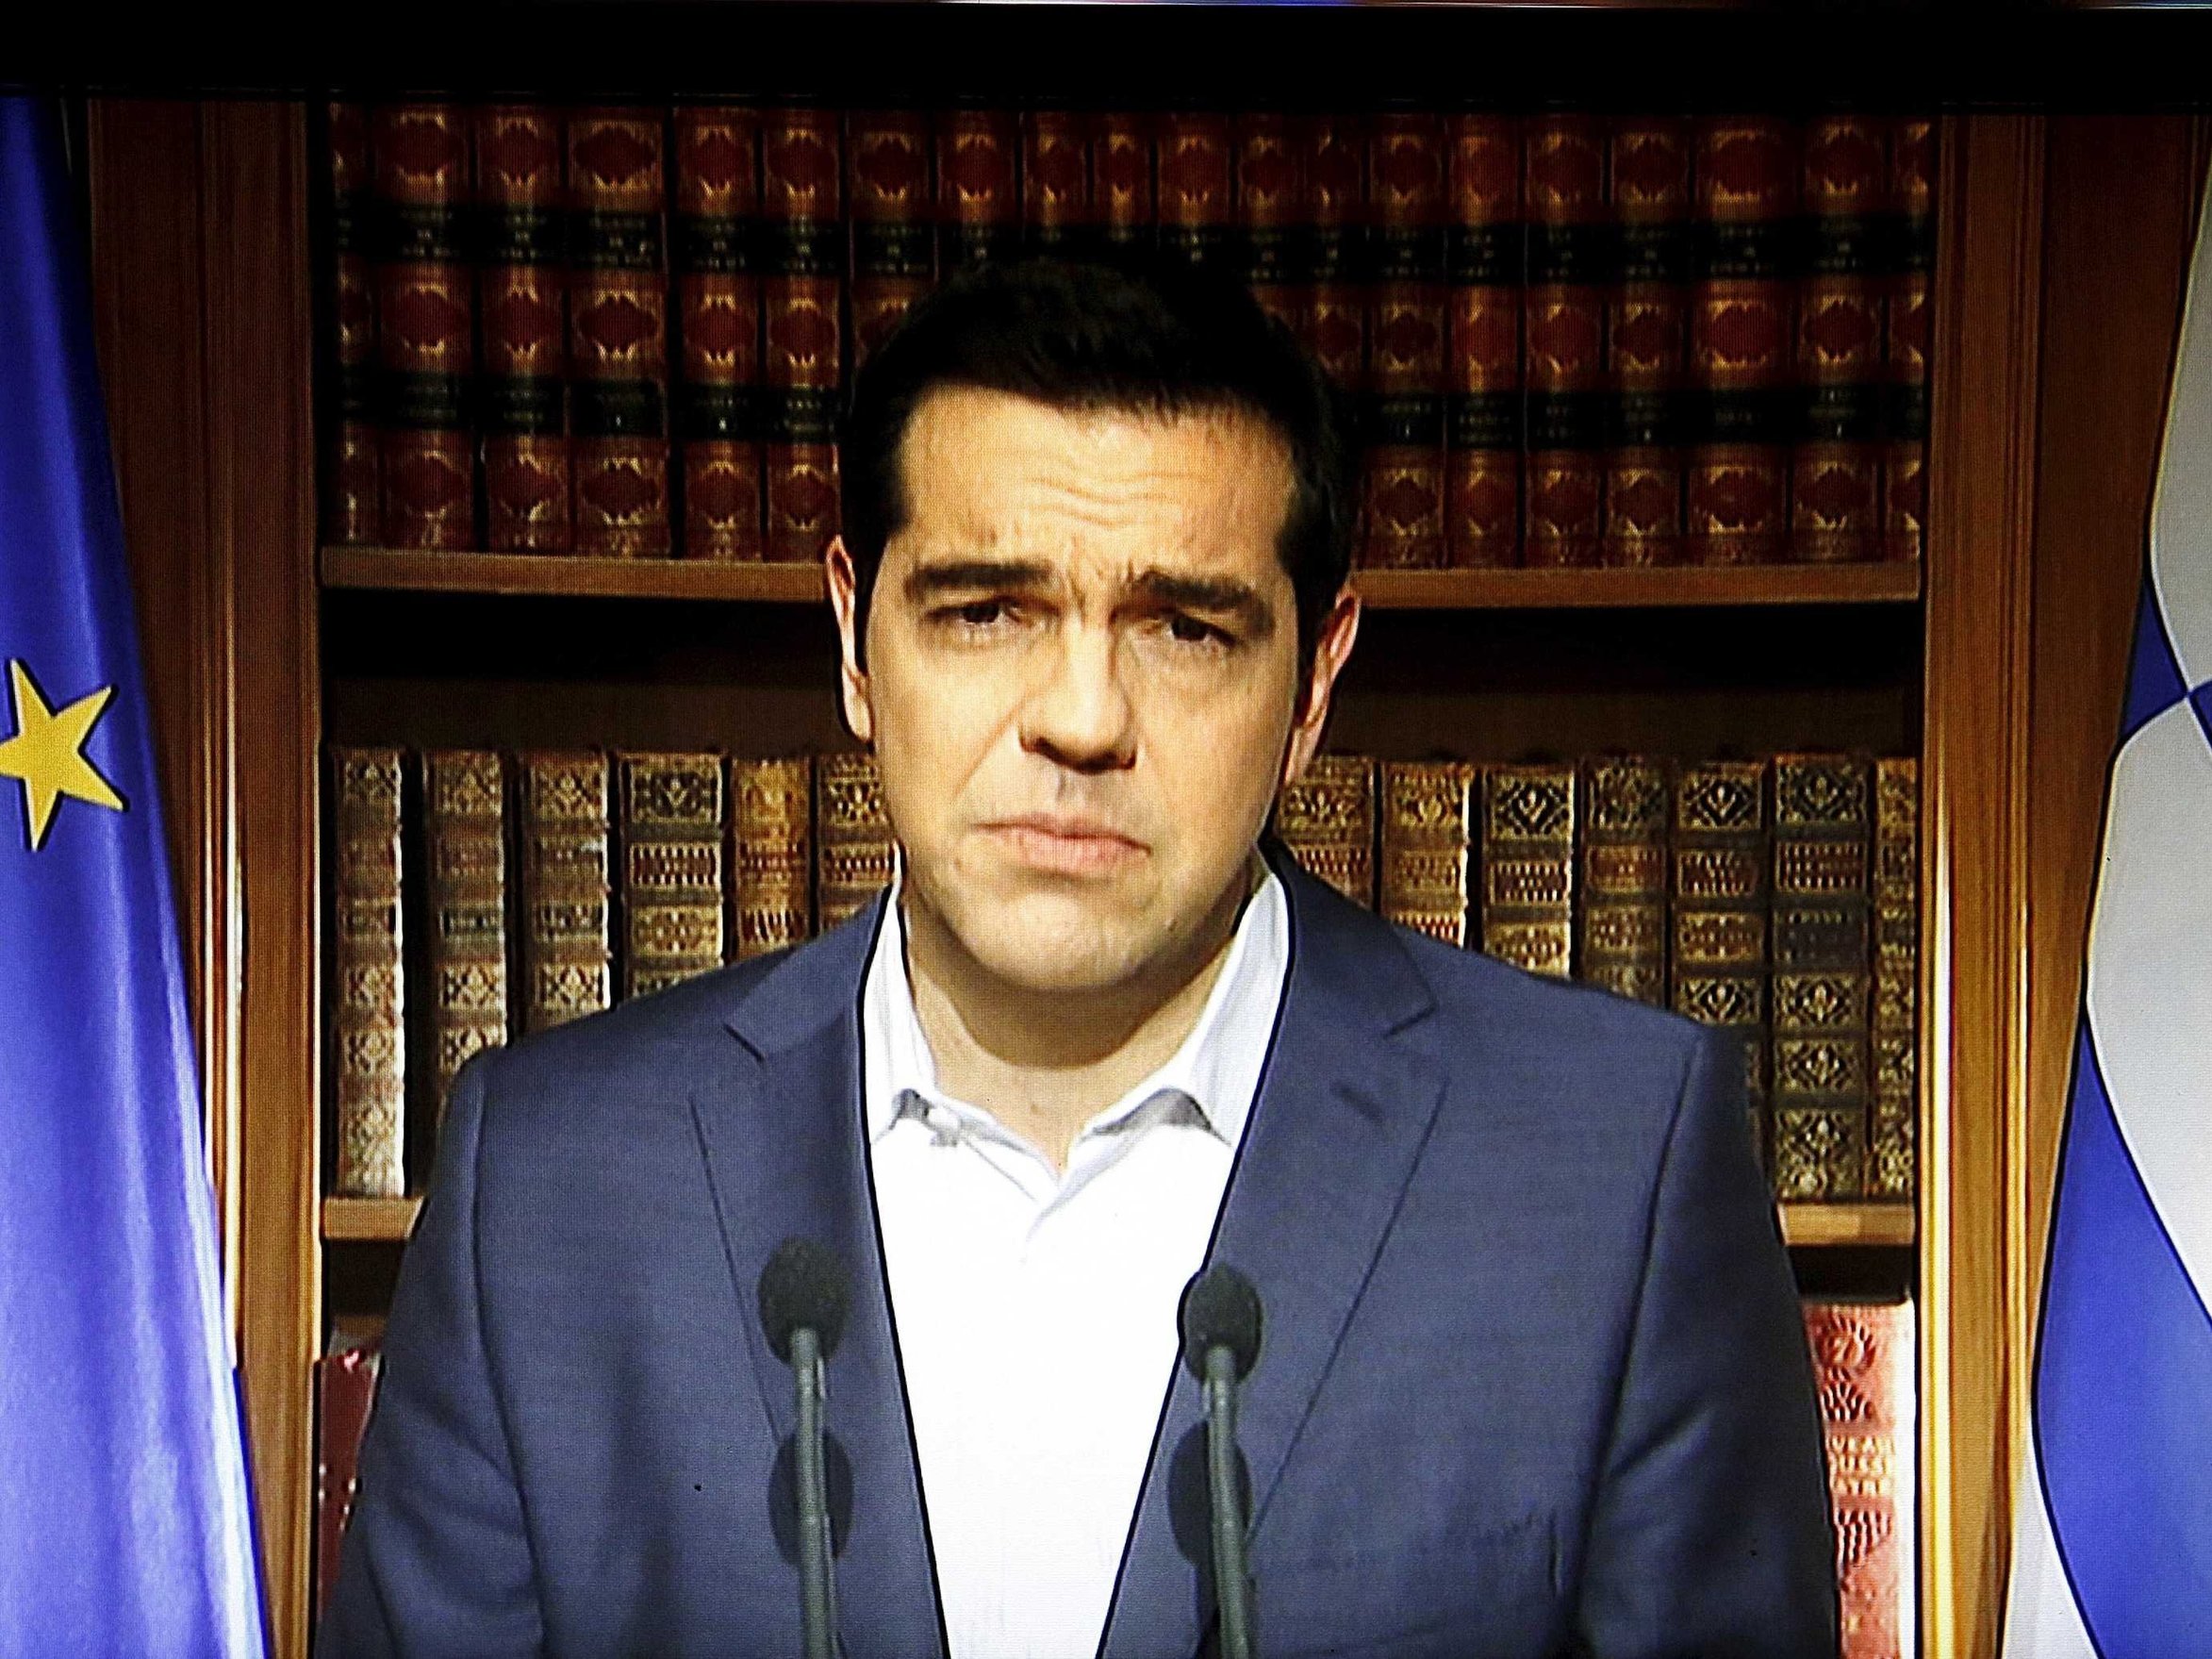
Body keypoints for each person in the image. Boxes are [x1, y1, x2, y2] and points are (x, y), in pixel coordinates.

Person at [323, 257, 1836, 1658]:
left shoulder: (1614, 1169)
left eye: (1184, 631)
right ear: (854, 640)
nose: (1083, 718)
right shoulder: (552, 1184)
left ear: (1315, 682)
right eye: (987, 611)